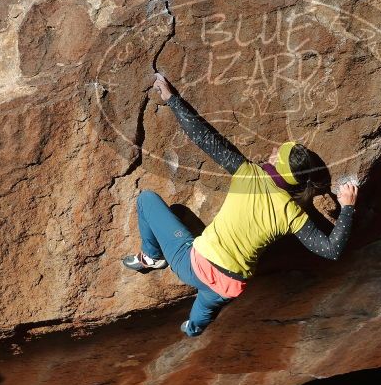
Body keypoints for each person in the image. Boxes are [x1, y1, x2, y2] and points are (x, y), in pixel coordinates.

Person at [123, 73, 359, 337]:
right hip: (233, 284)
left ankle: (152, 258)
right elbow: (331, 250)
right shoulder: (292, 213)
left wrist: (172, 100)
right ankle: (194, 328)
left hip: (196, 266)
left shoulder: (248, 174)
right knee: (207, 305)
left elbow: (204, 138)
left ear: (278, 165)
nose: (272, 151)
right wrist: (347, 207)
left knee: (146, 200)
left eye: (276, 153)